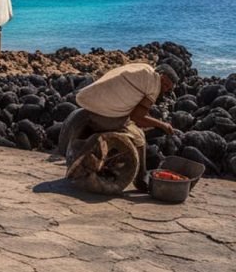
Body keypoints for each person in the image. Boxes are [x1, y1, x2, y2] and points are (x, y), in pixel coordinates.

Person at [75, 62, 178, 191]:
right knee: (139, 137)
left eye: (169, 89)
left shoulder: (145, 68)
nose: (166, 90)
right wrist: (162, 125)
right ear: (162, 78)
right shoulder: (154, 86)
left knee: (133, 126)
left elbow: (133, 101)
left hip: (91, 104)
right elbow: (137, 117)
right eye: (166, 86)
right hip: (104, 116)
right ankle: (140, 179)